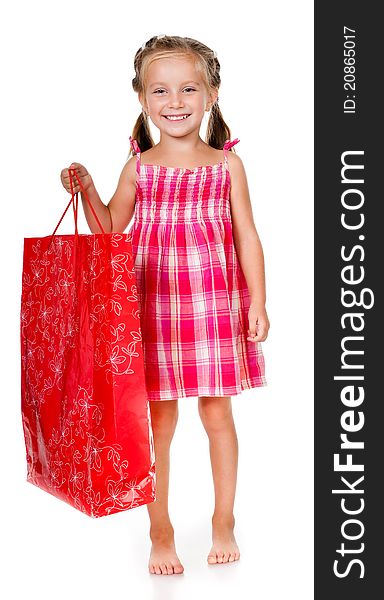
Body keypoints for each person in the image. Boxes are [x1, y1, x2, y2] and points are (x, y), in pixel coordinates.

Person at [60, 34, 270, 576]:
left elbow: (247, 235)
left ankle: (224, 519)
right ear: (141, 99)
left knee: (217, 411)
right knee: (158, 421)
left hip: (213, 306)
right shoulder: (139, 166)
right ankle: (161, 528)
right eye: (160, 90)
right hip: (151, 306)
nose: (175, 102)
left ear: (212, 95)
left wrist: (258, 303)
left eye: (188, 89)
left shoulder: (227, 166)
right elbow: (111, 227)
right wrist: (85, 186)